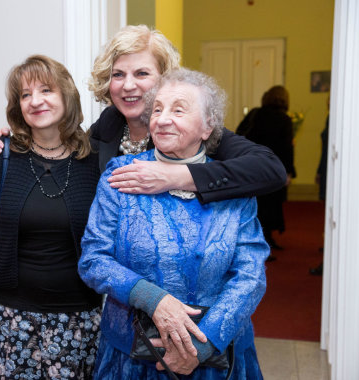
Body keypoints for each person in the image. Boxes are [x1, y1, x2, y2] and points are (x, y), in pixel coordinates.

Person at [79, 68, 269, 379]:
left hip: (216, 356)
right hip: (132, 356)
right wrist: (155, 300)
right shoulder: (122, 174)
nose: (163, 119)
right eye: (157, 109)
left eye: (178, 109)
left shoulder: (229, 184)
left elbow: (251, 276)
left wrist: (199, 348)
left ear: (207, 127)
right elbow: (93, 259)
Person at [0, 25, 287, 204]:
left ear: (165, 77)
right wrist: (10, 137)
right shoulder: (109, 126)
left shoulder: (188, 130)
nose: (128, 86)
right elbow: (63, 155)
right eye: (117, 75)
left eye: (141, 73)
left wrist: (175, 177)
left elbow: (270, 170)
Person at [0, 55, 102, 379]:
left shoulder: (94, 161)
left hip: (79, 315)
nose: (35, 101)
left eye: (46, 90)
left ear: (66, 95)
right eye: (25, 94)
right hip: (14, 315)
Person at [236, 86, 296, 257]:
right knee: (272, 204)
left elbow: (239, 135)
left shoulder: (255, 114)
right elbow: (286, 149)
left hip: (253, 166)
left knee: (258, 204)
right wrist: (289, 172)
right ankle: (265, 241)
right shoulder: (284, 119)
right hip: (273, 167)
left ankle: (261, 239)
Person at [310, 97, 330, 276]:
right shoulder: (330, 117)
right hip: (327, 170)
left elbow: (328, 152)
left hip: (330, 173)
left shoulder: (333, 118)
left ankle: (329, 261)